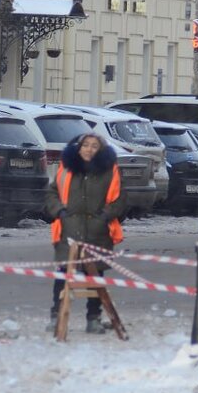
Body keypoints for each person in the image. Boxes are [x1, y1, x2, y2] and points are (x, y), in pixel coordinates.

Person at [44, 133, 127, 334]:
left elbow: (120, 200)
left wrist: (104, 217)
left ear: (101, 150)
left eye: (94, 146)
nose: (89, 149)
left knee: (95, 277)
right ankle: (56, 315)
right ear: (78, 148)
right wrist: (60, 212)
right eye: (85, 145)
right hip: (68, 232)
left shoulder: (110, 171)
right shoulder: (66, 168)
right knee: (63, 277)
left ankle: (94, 318)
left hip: (98, 233)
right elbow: (51, 193)